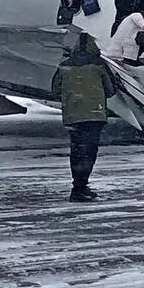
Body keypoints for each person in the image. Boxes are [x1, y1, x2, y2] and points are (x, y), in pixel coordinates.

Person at [53, 34, 117, 202]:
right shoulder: (99, 66)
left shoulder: (64, 66)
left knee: (76, 150)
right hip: (94, 114)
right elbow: (111, 90)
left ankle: (78, 185)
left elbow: (55, 90)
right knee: (89, 151)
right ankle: (81, 186)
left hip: (73, 115)